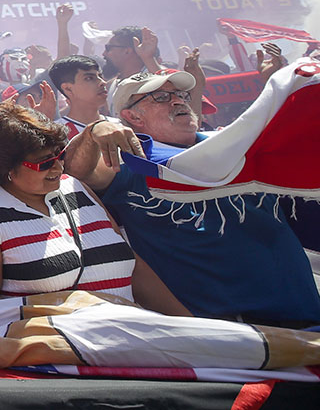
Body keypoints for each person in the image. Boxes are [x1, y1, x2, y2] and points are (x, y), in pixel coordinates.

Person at [65, 73, 320, 326]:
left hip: (305, 315)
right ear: (132, 117)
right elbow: (75, 173)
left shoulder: (238, 147)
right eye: (161, 97)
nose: (177, 101)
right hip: (231, 335)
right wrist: (93, 131)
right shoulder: (127, 164)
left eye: (181, 94)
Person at [0, 103, 187, 314]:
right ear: (6, 167)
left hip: (127, 336)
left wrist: (186, 323)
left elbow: (135, 270)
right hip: (56, 351)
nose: (57, 167)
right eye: (44, 162)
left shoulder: (76, 187)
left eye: (59, 155)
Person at [47, 55, 115, 135]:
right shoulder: (56, 135)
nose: (103, 82)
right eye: (89, 78)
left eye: (100, 76)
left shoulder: (119, 126)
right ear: (68, 89)